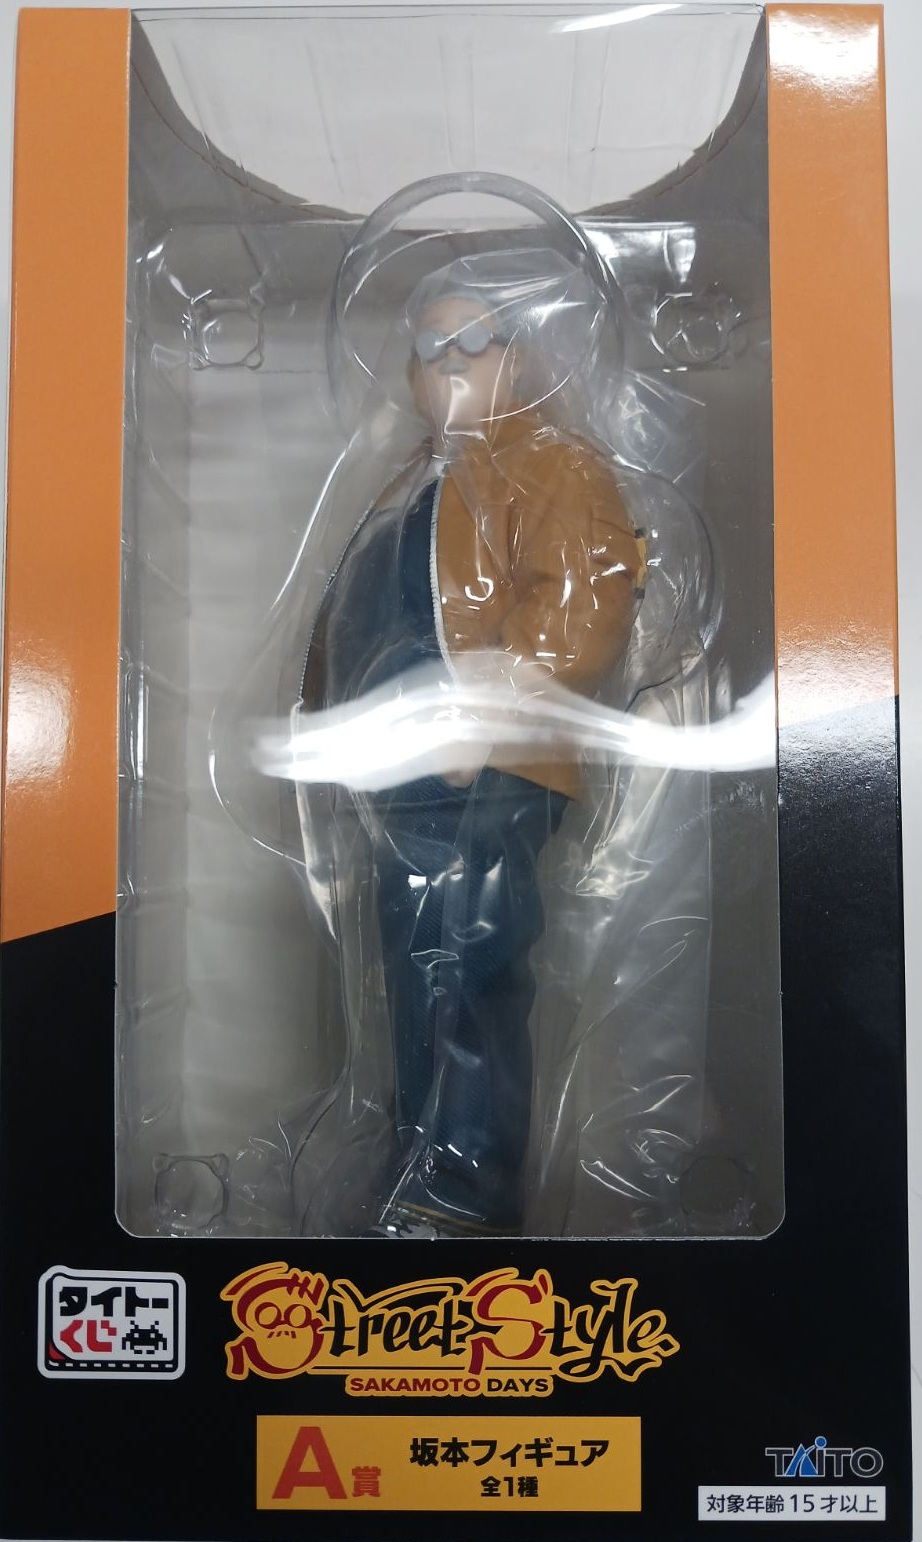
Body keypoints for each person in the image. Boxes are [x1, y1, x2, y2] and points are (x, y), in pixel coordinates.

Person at [300, 257, 645, 1236]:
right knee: (414, 972)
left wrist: (485, 717)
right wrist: (322, 722)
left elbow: (581, 601)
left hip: (486, 767)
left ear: (516, 360)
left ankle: (466, 1194)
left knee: (468, 962)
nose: (448, 362)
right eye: (429, 348)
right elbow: (356, 614)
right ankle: (420, 1166)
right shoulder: (413, 480)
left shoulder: (550, 464)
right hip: (399, 770)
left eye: (471, 341)